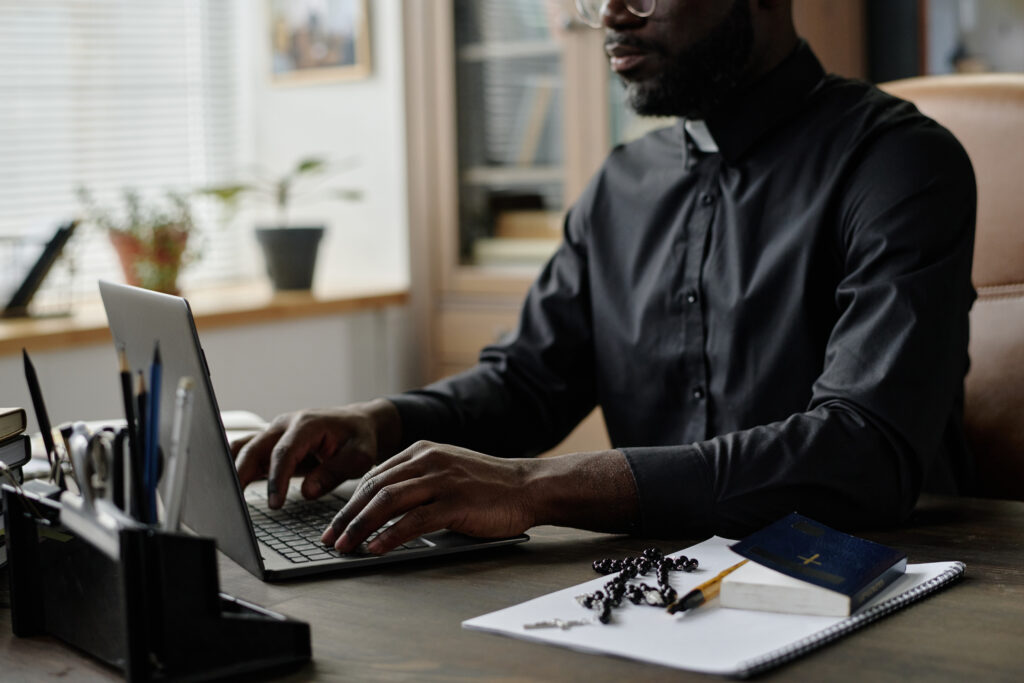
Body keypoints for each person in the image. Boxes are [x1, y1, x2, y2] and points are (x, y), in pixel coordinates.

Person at [233, 0, 976, 555]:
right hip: (664, 587)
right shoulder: (622, 185)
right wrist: (380, 422)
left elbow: (863, 452)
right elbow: (526, 384)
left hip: (873, 578)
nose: (612, 16)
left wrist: (533, 488)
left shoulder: (900, 163)